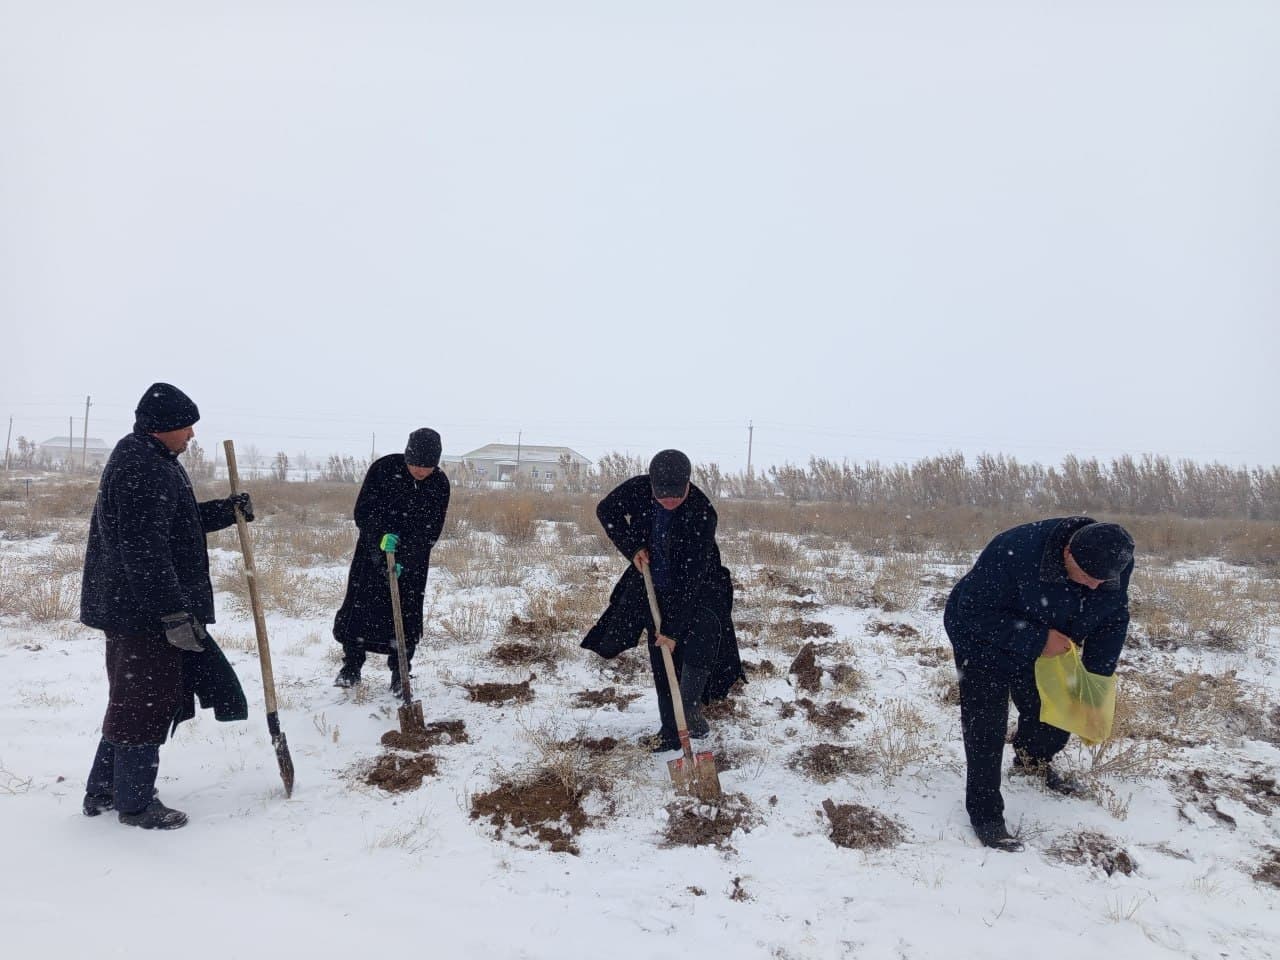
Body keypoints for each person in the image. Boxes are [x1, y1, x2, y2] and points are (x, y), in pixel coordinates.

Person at [80, 383, 252, 830]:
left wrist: (226, 510)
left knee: (131, 697)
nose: (192, 434)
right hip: (142, 613)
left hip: (132, 607)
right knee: (147, 701)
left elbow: (176, 521)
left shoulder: (150, 459)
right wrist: (172, 613)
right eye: (186, 426)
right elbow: (143, 549)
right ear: (162, 428)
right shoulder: (143, 467)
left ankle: (104, 789)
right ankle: (135, 803)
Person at [944, 516, 1135, 851]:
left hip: (1051, 636)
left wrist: (1094, 680)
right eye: (1088, 578)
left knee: (1053, 709)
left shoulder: (1113, 559)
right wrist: (1036, 639)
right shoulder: (1012, 551)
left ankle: (1032, 760)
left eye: (1103, 581)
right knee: (986, 723)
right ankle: (985, 814)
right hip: (982, 637)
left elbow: (1113, 615)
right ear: (1067, 554)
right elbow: (972, 612)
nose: (1095, 587)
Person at [583, 449, 745, 751]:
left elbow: (691, 578)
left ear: (687, 484)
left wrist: (672, 630)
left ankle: (691, 707)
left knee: (701, 638)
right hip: (654, 585)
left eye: (676, 495)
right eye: (662, 495)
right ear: (652, 484)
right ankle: (671, 731)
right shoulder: (639, 489)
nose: (669, 501)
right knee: (661, 657)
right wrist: (633, 547)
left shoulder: (702, 512)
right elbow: (607, 510)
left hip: (700, 586)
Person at [333, 428, 450, 694]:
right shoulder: (384, 469)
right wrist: (380, 542)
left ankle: (400, 673)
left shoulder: (439, 483)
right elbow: (363, 512)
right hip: (371, 555)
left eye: (427, 466)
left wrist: (404, 559)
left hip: (413, 561)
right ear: (407, 456)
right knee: (360, 611)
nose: (420, 471)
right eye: (415, 464)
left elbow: (431, 529)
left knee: (405, 616)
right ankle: (351, 667)